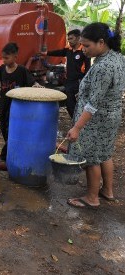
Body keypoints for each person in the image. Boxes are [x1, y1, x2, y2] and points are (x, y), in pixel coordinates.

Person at [66, 23, 125, 209]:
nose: (83, 49)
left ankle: (92, 198)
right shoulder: (117, 58)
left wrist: (76, 128)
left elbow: (93, 105)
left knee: (91, 157)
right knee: (105, 153)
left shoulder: (103, 67)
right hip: (111, 115)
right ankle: (107, 191)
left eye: (87, 46)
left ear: (101, 42)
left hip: (96, 120)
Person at [0, 42, 43, 162]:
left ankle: (7, 155)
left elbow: (32, 82)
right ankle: (10, 152)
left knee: (13, 129)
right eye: (3, 57)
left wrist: (37, 86)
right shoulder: (2, 69)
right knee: (4, 129)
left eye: (6, 58)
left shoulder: (22, 70)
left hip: (17, 107)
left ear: (15, 57)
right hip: (3, 105)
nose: (4, 60)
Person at [43, 29, 91, 118]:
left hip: (78, 81)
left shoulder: (83, 51)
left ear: (78, 38)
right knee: (69, 104)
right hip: (69, 81)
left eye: (71, 39)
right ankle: (76, 122)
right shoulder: (68, 49)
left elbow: (88, 68)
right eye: (68, 39)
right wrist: (46, 53)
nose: (69, 41)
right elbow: (60, 52)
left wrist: (85, 83)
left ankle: (78, 123)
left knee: (76, 104)